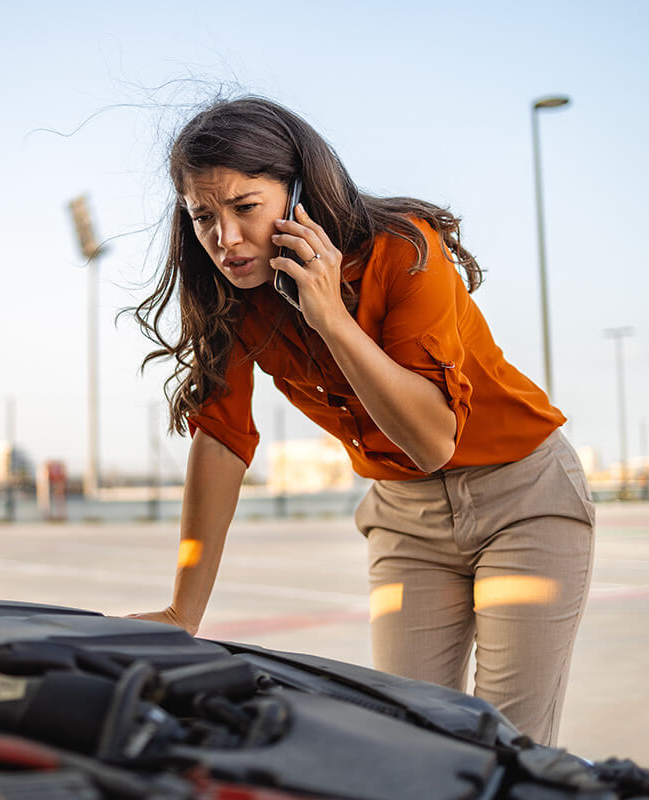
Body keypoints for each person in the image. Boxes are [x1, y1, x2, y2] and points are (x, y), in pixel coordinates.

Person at [128, 96, 594, 747]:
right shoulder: (231, 297)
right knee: (411, 739)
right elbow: (222, 440)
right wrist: (184, 610)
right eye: (203, 216)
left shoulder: (403, 250)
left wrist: (330, 317)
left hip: (522, 497)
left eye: (245, 208)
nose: (225, 240)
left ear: (298, 197)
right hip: (407, 520)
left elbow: (432, 441)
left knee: (508, 748)